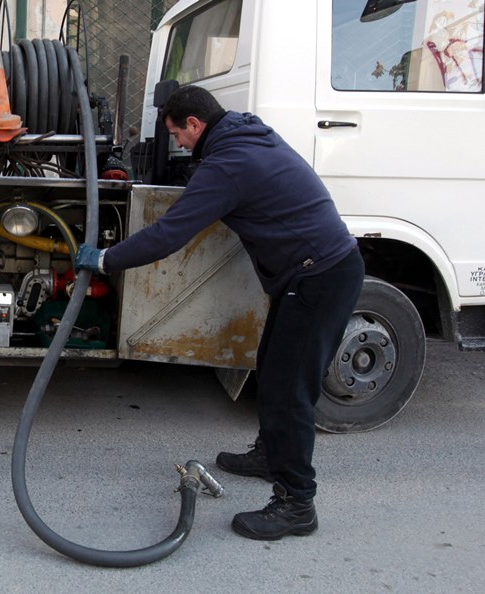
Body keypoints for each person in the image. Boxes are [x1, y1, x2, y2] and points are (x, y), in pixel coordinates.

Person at [75, 85, 364, 541]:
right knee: (271, 371)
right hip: (311, 274)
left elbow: (170, 234)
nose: (180, 146)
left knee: (290, 391)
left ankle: (296, 503)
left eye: (179, 135)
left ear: (195, 124)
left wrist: (106, 260)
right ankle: (271, 454)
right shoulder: (245, 135)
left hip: (320, 277)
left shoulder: (230, 163)